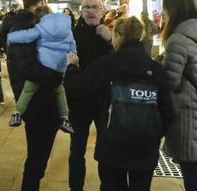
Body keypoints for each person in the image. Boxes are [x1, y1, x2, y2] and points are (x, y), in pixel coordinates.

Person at [65, 16, 174, 191]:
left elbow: (77, 88)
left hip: (113, 143)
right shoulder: (155, 69)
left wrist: (72, 67)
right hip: (145, 145)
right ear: (140, 36)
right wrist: (155, 134)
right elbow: (168, 111)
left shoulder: (108, 63)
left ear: (116, 35)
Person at [2, 0, 63, 191]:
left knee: (37, 154)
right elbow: (29, 68)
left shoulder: (18, 26)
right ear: (42, 1)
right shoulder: (28, 28)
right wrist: (57, 75)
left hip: (32, 98)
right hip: (40, 100)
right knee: (37, 156)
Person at [160, 0, 197, 191]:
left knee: (193, 174)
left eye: (165, 10)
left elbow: (171, 81)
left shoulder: (178, 39)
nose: (163, 15)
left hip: (187, 115)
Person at [7, 6, 77, 134]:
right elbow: (72, 44)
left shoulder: (41, 27)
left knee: (28, 89)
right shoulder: (67, 29)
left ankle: (17, 114)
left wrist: (11, 37)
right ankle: (65, 119)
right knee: (59, 91)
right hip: (58, 68)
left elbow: (27, 36)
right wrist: (73, 57)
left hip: (42, 66)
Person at [68, 0, 114, 191]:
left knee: (106, 147)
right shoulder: (72, 34)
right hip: (80, 99)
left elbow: (122, 61)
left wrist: (111, 40)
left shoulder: (110, 34)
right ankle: (75, 187)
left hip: (104, 99)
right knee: (77, 148)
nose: (90, 11)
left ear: (102, 11)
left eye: (95, 7)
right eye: (86, 7)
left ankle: (107, 185)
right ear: (81, 11)